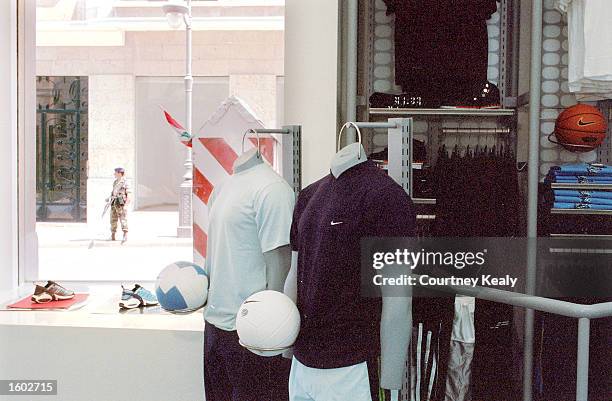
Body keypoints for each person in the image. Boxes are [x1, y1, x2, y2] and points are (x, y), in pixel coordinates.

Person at [107, 167, 130, 243]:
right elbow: (114, 192)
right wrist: (109, 198)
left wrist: (126, 205)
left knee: (123, 219)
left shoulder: (125, 182)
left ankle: (125, 235)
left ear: (120, 173)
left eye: (116, 173)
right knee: (113, 219)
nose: (114, 174)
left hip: (121, 203)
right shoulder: (115, 182)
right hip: (114, 202)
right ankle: (113, 234)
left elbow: (129, 195)